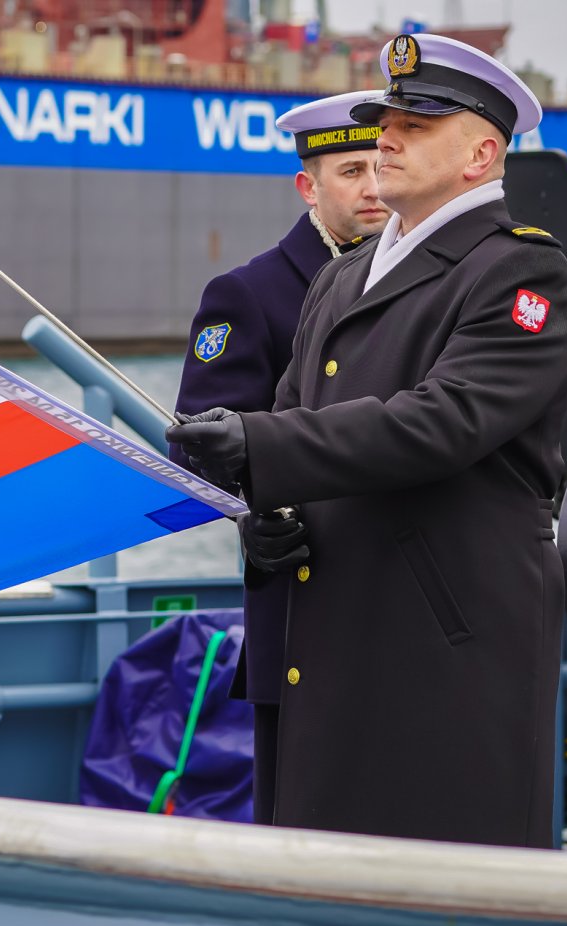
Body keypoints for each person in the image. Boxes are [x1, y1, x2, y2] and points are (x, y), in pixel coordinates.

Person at [166, 34, 567, 847]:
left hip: (443, 653)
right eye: (385, 120)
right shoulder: (343, 275)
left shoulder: (522, 274)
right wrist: (268, 515)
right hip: (331, 644)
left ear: (481, 152)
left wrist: (258, 447)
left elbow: (445, 419)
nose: (386, 137)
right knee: (320, 882)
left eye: (416, 124)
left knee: (442, 885)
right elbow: (291, 416)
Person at [169, 89, 391, 826]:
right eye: (350, 171)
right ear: (309, 186)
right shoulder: (250, 294)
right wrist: (254, 516)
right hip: (299, 589)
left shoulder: (425, 282)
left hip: (402, 598)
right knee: (302, 825)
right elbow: (205, 444)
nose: (372, 188)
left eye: (379, 165)